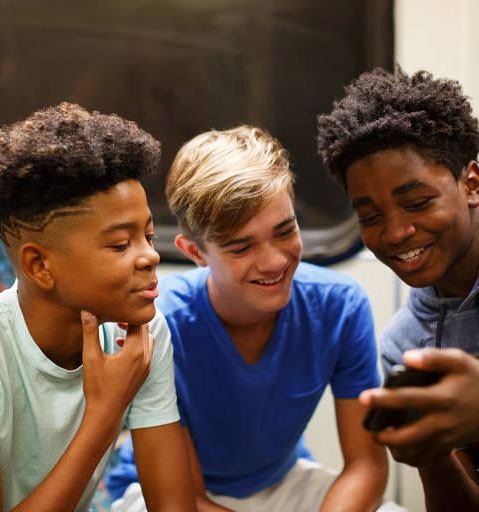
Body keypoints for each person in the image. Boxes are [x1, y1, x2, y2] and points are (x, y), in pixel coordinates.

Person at [108, 125, 406, 512]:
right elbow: (185, 500)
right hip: (164, 495)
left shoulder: (339, 307)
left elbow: (366, 466)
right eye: (241, 246)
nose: (274, 261)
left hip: (283, 480)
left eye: (285, 230)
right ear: (195, 252)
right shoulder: (164, 325)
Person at [0, 102, 196, 511]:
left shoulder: (139, 333)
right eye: (121, 244)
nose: (150, 257)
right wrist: (104, 414)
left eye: (147, 235)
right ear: (40, 265)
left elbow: (173, 506)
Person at [317, 66, 479, 510]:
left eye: (417, 202)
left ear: (471, 184)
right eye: (370, 217)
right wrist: (433, 458)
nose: (395, 232)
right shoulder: (407, 344)